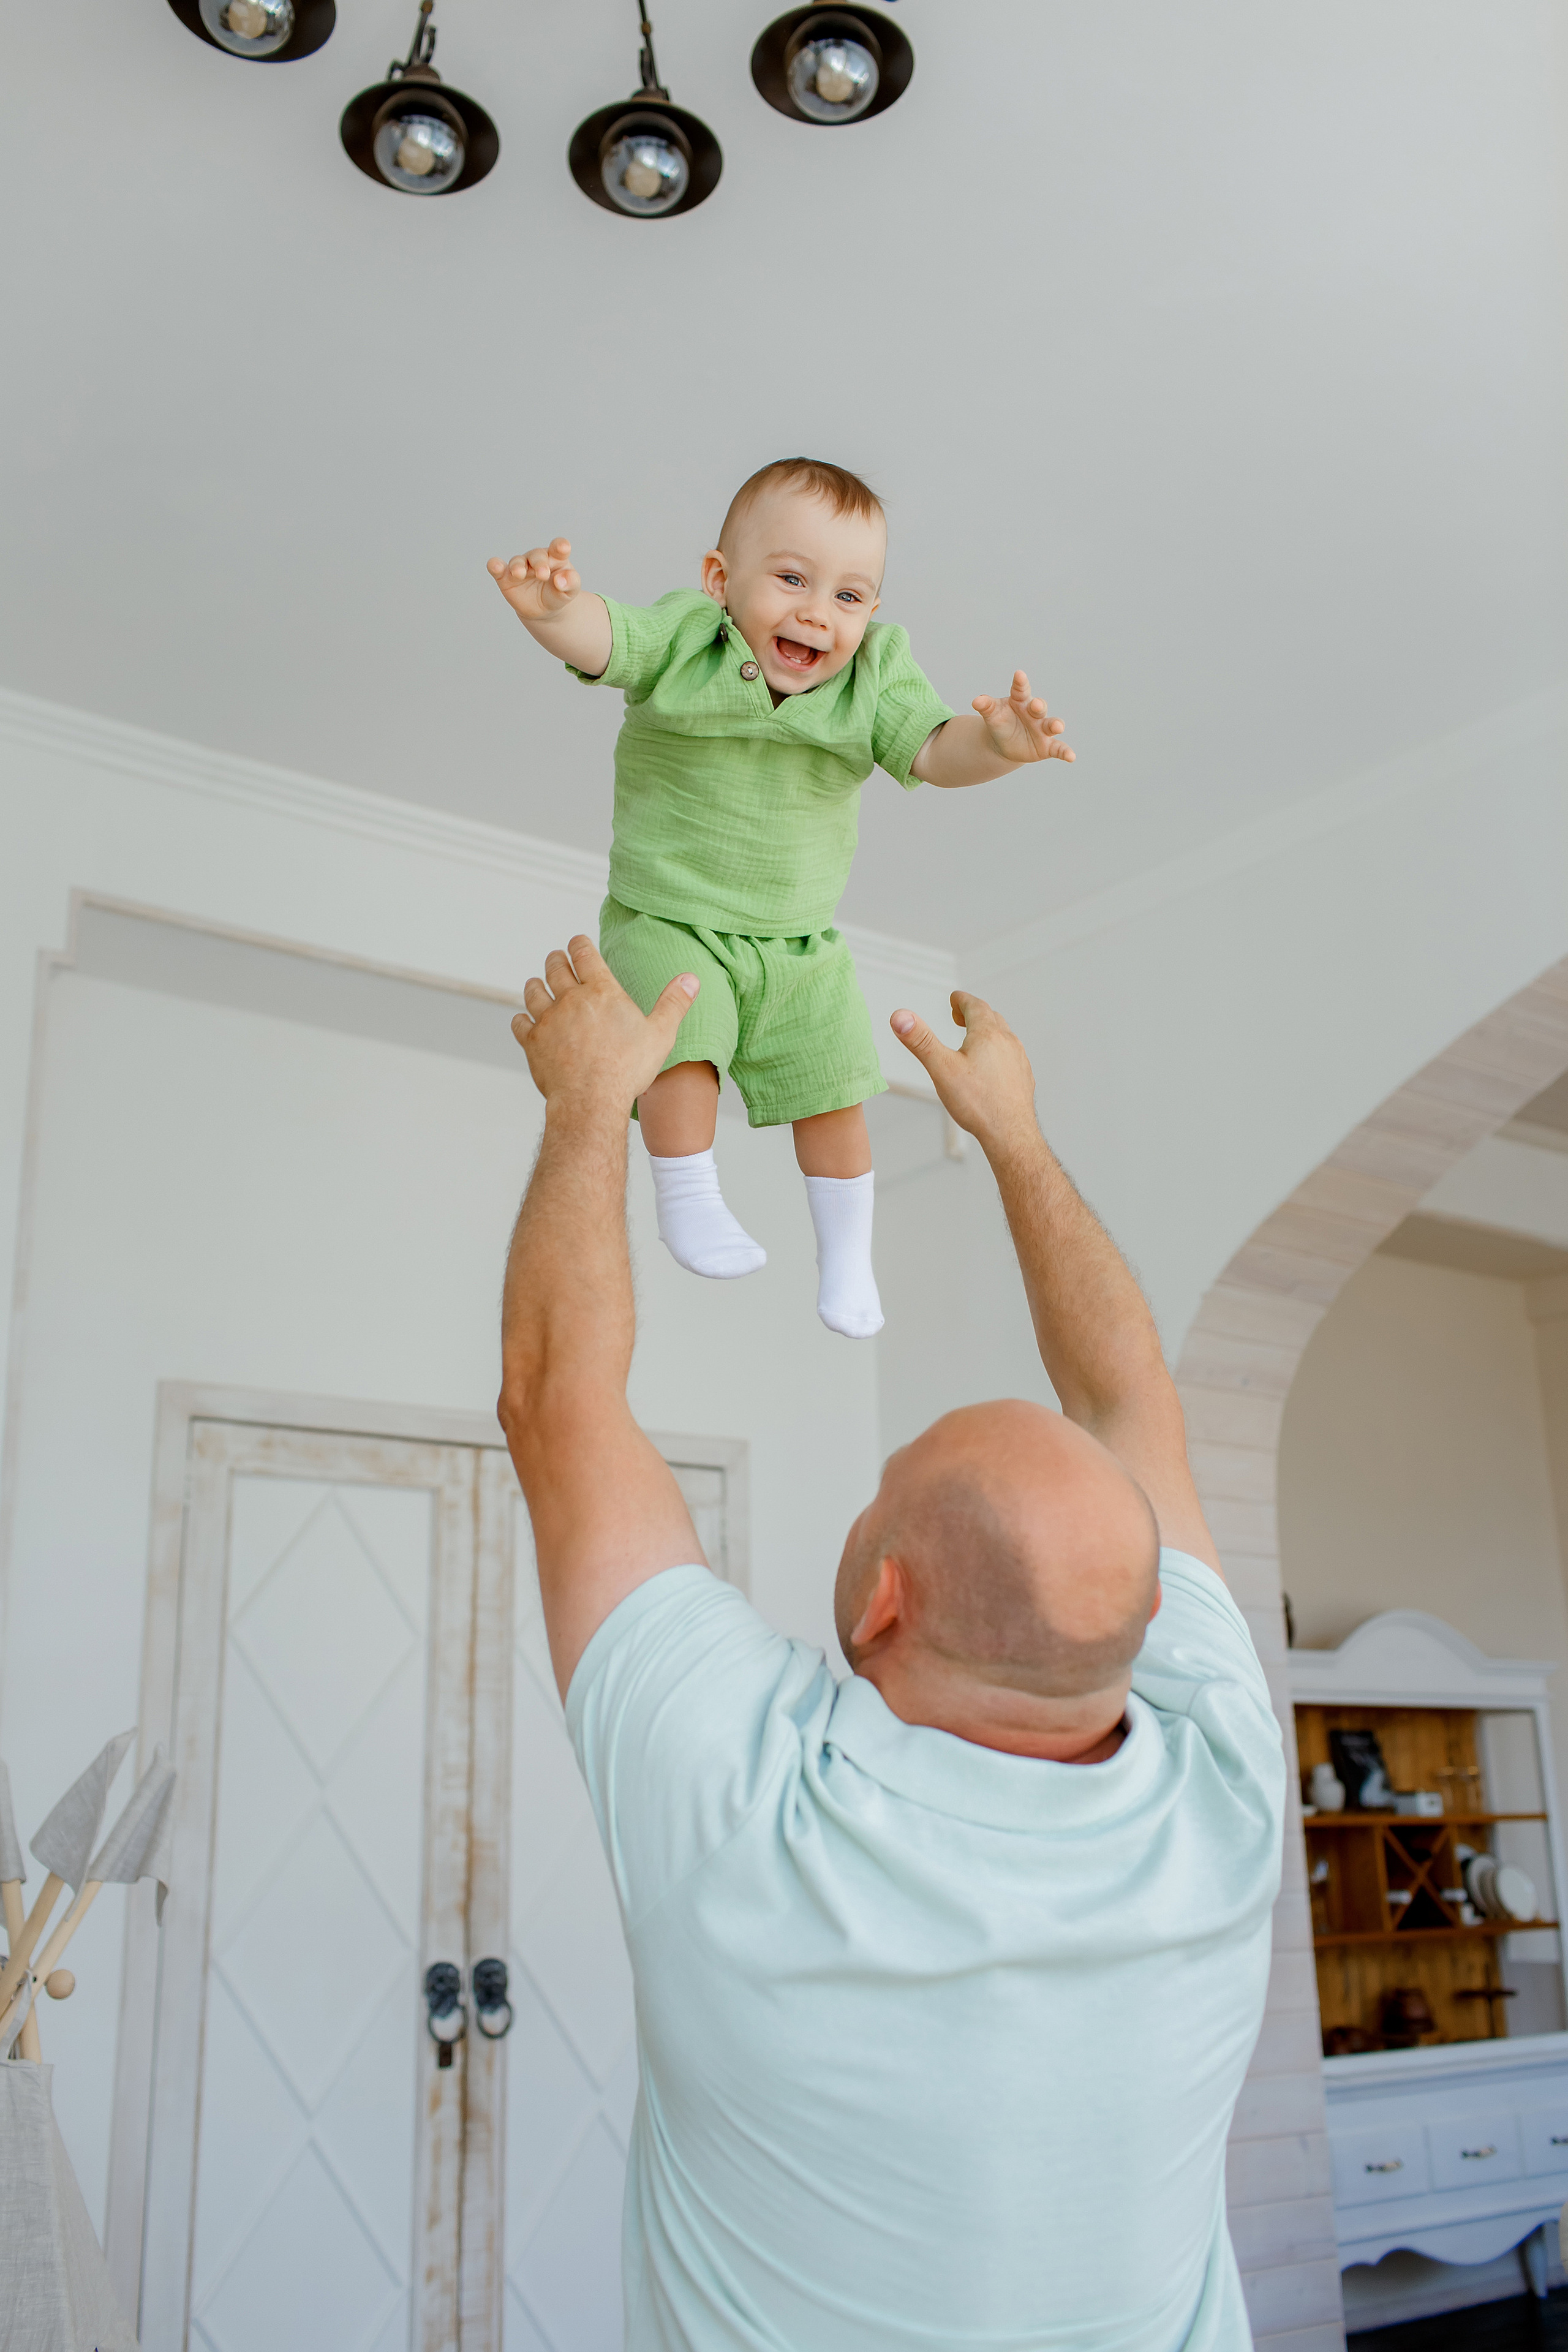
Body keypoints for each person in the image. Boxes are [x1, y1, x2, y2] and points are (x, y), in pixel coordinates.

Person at [497, 937, 1285, 2352]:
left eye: (883, 1487)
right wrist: (1015, 1143)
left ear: (882, 1605)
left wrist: (579, 1113)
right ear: (1150, 1614)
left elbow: (555, 1403)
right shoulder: (1223, 1782)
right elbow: (1129, 1397)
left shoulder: (751, 1807)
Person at [487, 457, 1075, 1340]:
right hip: (669, 916)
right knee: (683, 1047)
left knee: (838, 1089)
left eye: (849, 595)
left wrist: (998, 747)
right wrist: (553, 613)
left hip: (802, 946)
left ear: (872, 613)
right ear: (721, 580)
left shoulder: (875, 675)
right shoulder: (687, 639)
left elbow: (933, 750)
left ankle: (847, 1260)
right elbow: (609, 640)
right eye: (792, 579)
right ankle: (690, 1197)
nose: (817, 612)